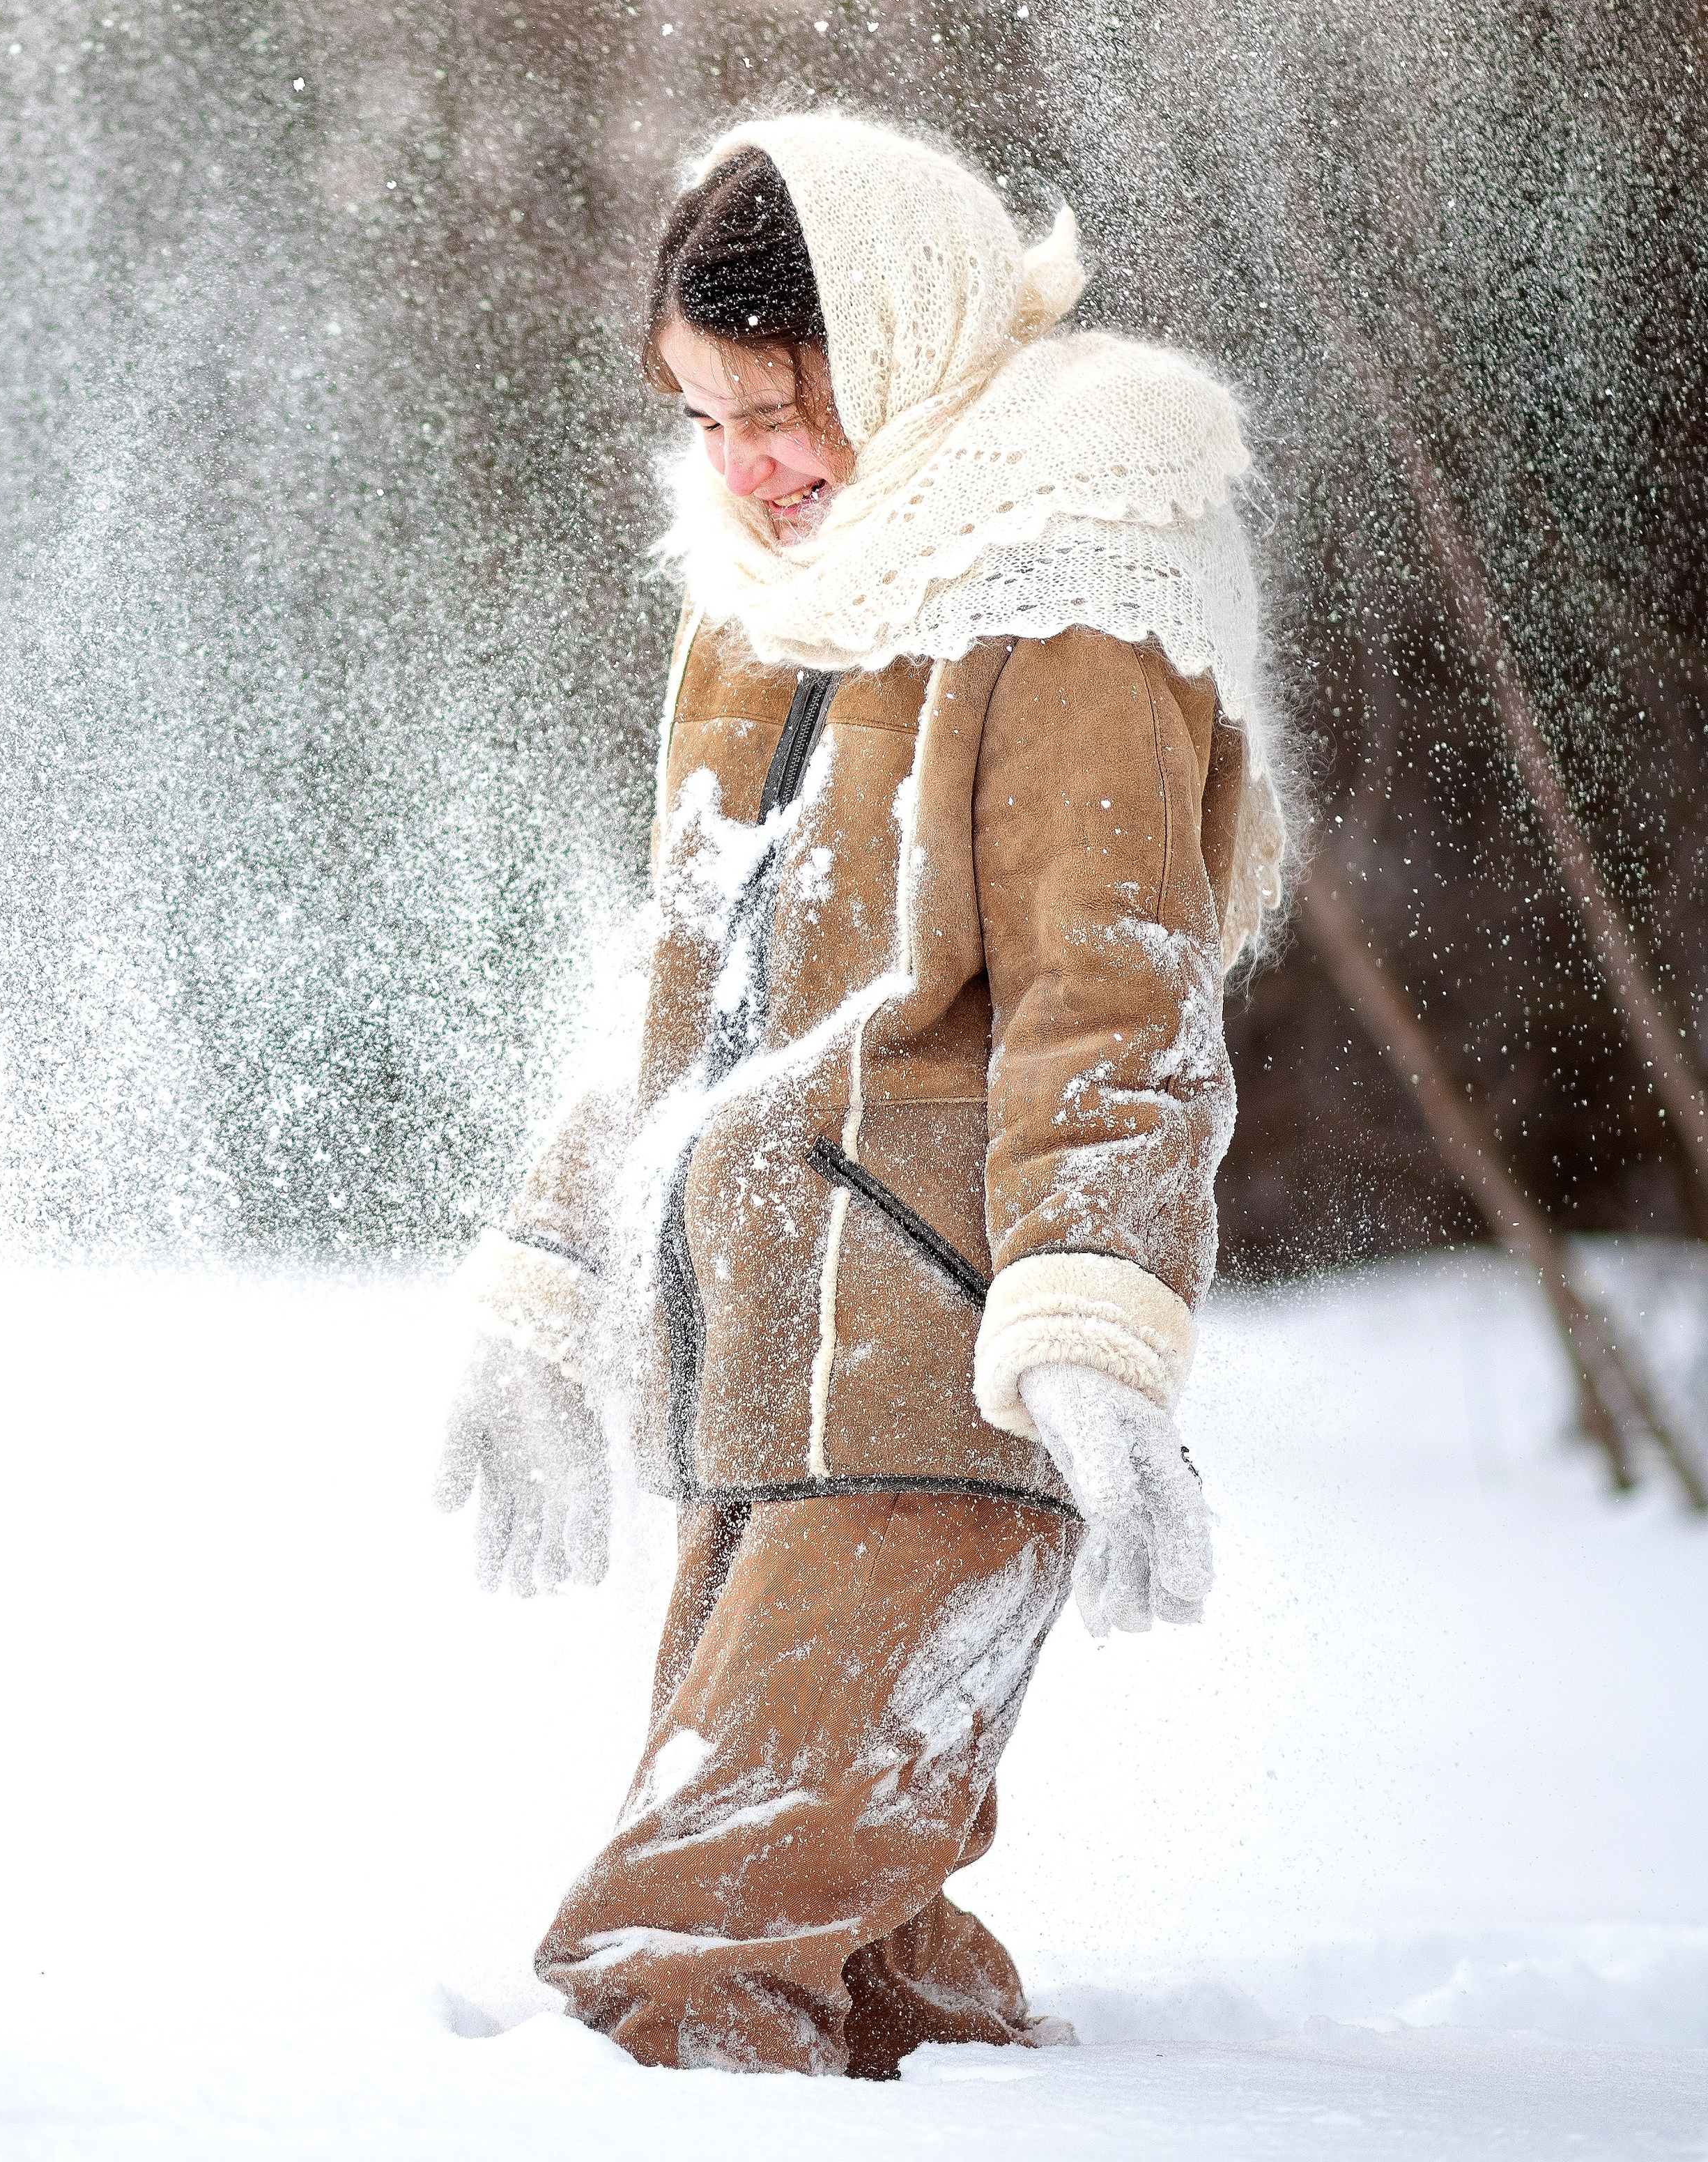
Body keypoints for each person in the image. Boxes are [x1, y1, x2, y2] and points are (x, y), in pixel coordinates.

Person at [436, 112, 1286, 2079]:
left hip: (937, 1368)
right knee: (860, 1949)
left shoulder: (1070, 582)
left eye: (780, 410)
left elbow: (1118, 991)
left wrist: (1089, 1333)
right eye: (703, 414)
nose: (742, 466)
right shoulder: (762, 591)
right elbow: (679, 975)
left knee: (689, 1948)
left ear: (894, 347)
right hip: (757, 1374)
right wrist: (547, 1289)